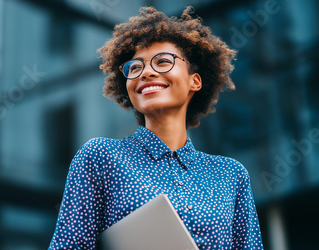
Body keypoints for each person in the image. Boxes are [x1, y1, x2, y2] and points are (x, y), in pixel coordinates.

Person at [48, 6, 263, 250]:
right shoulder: (101, 157)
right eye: (135, 67)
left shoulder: (231, 175)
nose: (146, 73)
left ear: (195, 81)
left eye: (162, 61)